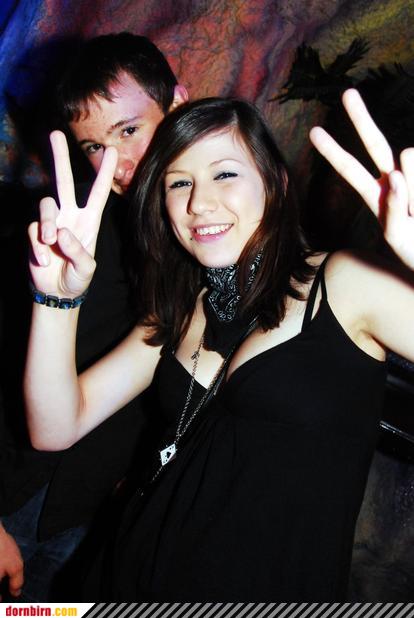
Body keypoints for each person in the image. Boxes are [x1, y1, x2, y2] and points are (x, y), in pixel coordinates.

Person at [24, 89, 414, 601]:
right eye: (179, 182)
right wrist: (56, 299)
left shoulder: (346, 283)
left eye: (224, 174)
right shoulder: (182, 308)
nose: (198, 203)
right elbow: (55, 427)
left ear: (275, 182)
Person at [0, 32, 188, 601]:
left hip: (87, 518)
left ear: (178, 105)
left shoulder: (204, 238)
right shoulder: (63, 230)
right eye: (93, 146)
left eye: (129, 130)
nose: (116, 165)